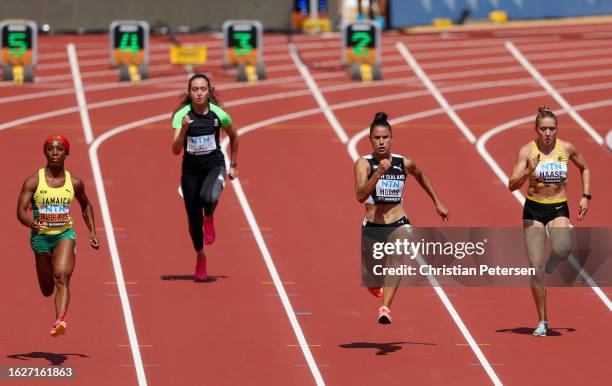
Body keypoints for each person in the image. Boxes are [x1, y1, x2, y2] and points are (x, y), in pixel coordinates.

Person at [354, 112, 449, 324]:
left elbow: (421, 175)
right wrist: (378, 173)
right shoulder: (364, 164)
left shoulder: (403, 163)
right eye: (377, 138)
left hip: (398, 223)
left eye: (385, 137)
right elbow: (360, 196)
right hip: (372, 228)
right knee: (373, 276)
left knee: (397, 257)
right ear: (370, 139)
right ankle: (374, 282)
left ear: (391, 138)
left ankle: (385, 308)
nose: (381, 142)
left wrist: (437, 202)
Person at [508, 106, 591, 336]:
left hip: (558, 208)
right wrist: (528, 172)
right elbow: (511, 184)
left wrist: (586, 196)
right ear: (536, 130)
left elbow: (584, 168)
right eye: (543, 129)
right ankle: (542, 320)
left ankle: (556, 257)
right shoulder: (527, 151)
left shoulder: (566, 148)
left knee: (563, 250)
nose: (548, 133)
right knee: (536, 270)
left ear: (557, 130)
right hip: (534, 210)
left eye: (552, 129)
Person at [16, 135, 100, 337]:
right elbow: (20, 209)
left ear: (66, 153)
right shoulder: (34, 181)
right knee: (47, 289)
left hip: (64, 234)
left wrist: (92, 231)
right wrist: (30, 222)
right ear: (45, 153)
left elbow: (85, 204)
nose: (55, 153)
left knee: (61, 277)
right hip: (41, 238)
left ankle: (59, 321)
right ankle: (43, 270)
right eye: (51, 149)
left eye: (60, 149)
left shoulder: (75, 183)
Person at [171, 73, 238, 282]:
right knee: (193, 219)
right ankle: (201, 257)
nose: (199, 93)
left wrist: (233, 164)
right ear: (189, 93)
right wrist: (183, 128)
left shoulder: (219, 115)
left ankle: (209, 216)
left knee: (209, 197)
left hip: (214, 166)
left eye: (203, 89)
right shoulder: (181, 115)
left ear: (209, 92)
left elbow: (235, 137)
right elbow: (175, 150)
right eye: (195, 89)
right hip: (191, 170)